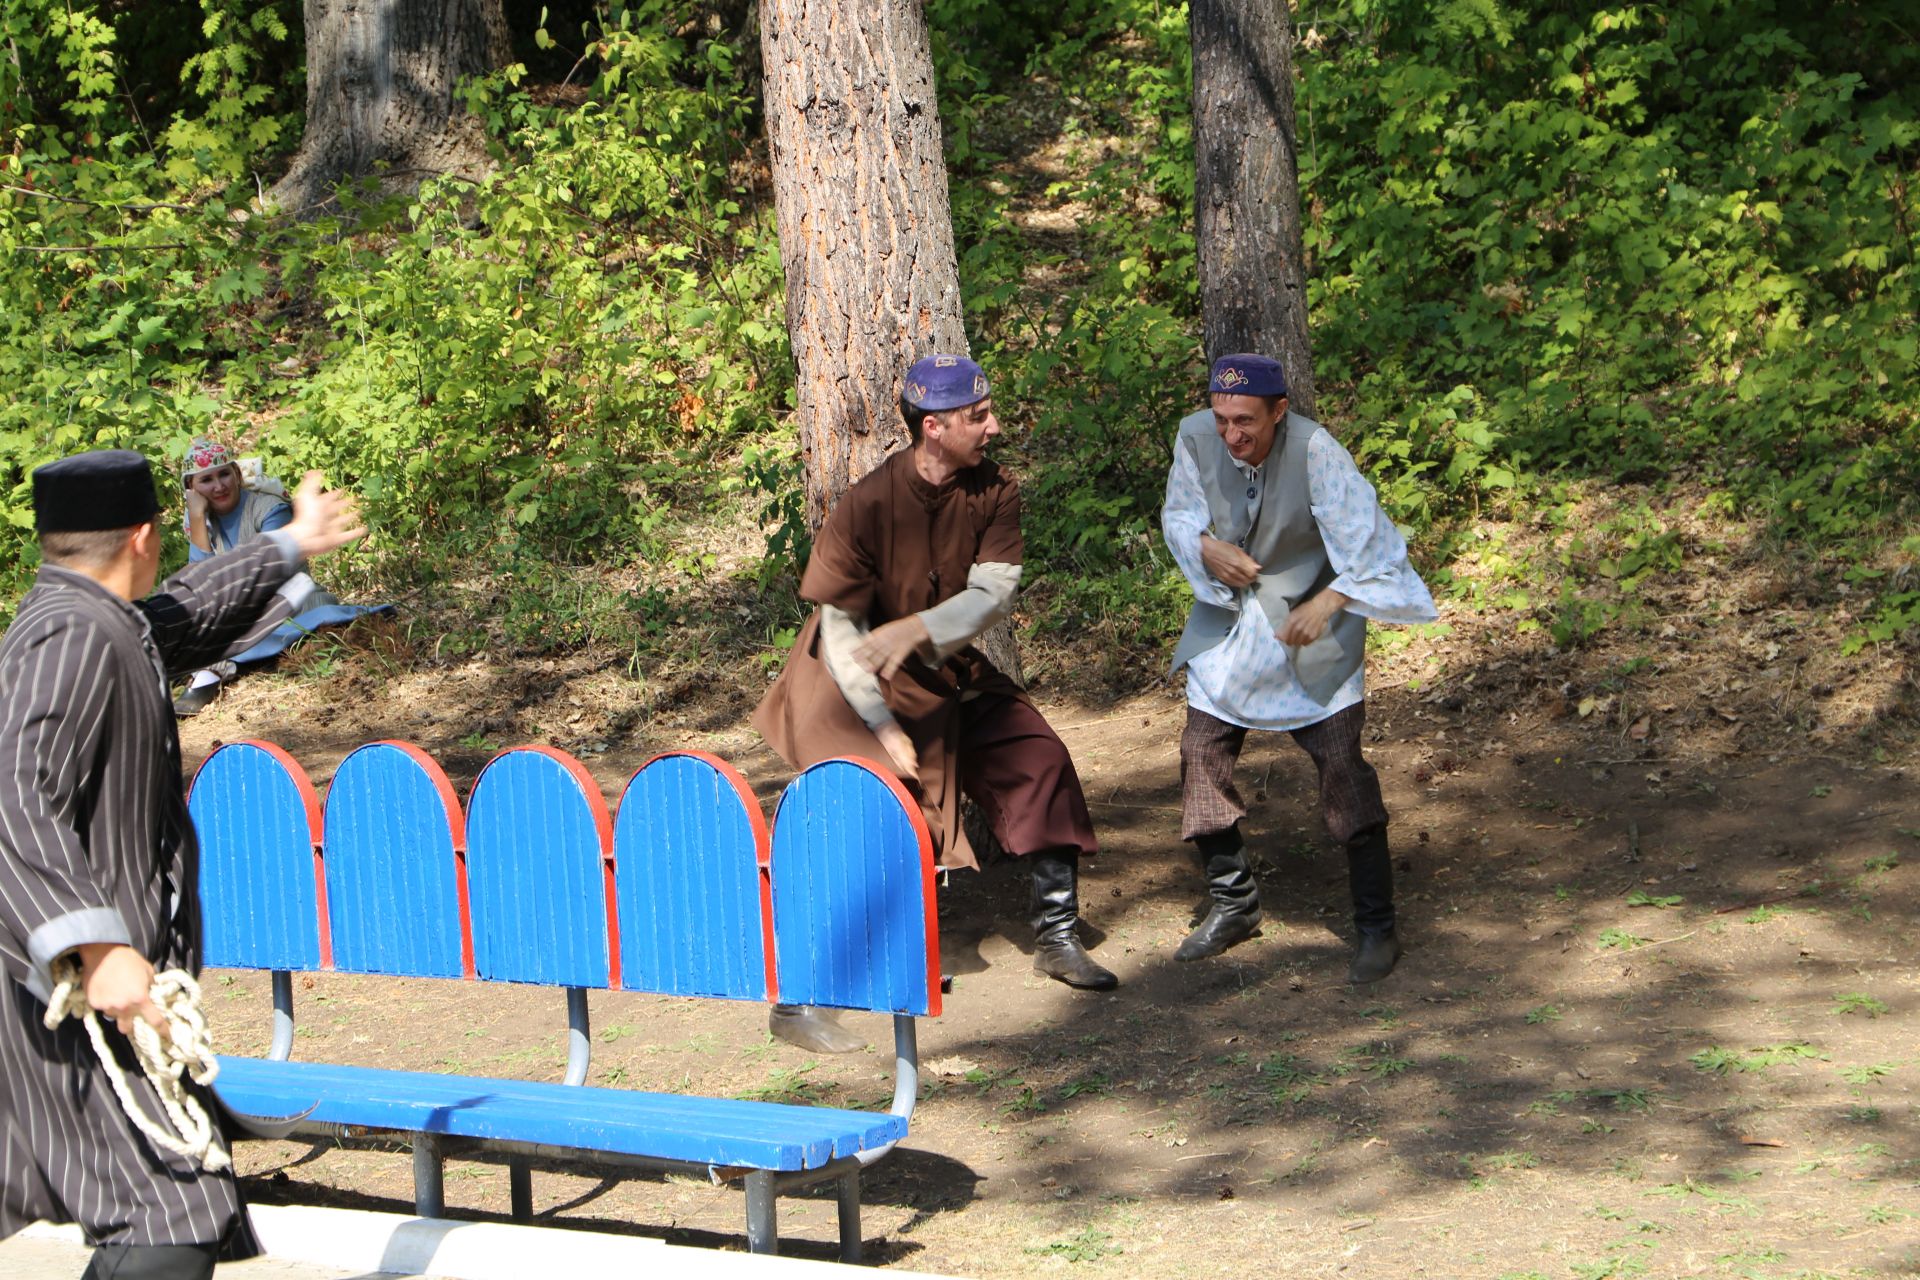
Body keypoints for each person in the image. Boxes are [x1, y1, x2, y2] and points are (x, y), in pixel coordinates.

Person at [0, 449, 364, 1280]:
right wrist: (96, 948)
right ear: (143, 534)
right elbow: (11, 794)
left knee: (168, 1213)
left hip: (84, 1003)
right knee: (168, 1214)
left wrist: (289, 544)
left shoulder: (96, 615)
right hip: (66, 1002)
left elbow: (186, 611)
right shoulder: (70, 635)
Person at [754, 354, 1115, 1053]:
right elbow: (841, 634)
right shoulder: (867, 505)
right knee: (860, 818)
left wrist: (919, 630)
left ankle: (1057, 936)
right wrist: (885, 729)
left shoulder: (996, 490)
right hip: (849, 686)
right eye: (978, 417)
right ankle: (798, 999)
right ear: (933, 427)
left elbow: (993, 594)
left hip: (942, 665)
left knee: (1036, 755)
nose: (994, 426)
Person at [1161, 354, 1437, 983]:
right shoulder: (1194, 437)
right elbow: (1179, 514)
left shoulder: (1316, 453)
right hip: (1232, 623)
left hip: (1311, 619)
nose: (1232, 434)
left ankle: (1377, 926)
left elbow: (1376, 548)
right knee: (1200, 750)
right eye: (1222, 417)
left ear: (1279, 412)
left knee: (1342, 764)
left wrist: (1328, 601)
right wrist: (1204, 546)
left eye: (1247, 422)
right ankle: (1234, 904)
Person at [172, 437, 359, 716]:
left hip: (285, 600)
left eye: (224, 474)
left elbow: (268, 570)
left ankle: (212, 671)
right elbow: (199, 587)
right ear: (192, 489)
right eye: (206, 480)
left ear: (237, 474)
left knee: (309, 617)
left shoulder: (269, 508)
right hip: (237, 609)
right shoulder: (201, 520)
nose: (219, 486)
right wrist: (197, 519)